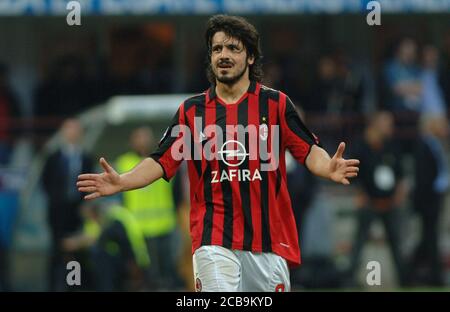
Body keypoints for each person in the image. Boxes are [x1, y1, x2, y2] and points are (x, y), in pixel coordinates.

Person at [77, 15, 360, 292]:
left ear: (250, 57)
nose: (223, 55)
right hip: (213, 238)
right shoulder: (191, 111)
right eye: (217, 49)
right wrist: (123, 181)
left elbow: (308, 150)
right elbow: (161, 160)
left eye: (233, 48)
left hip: (268, 242)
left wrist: (328, 167)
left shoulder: (276, 104)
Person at [344, 111, 408, 287]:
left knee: (396, 242)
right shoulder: (360, 146)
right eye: (387, 124)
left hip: (390, 203)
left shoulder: (392, 146)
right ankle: (349, 279)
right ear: (376, 124)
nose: (391, 128)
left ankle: (405, 280)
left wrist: (399, 194)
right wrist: (359, 194)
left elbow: (401, 174)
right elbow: (352, 173)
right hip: (368, 203)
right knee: (359, 241)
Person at [115, 127, 181, 290]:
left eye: (146, 138)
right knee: (147, 273)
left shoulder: (164, 161)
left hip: (165, 225)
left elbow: (177, 192)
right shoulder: (124, 162)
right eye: (139, 138)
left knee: (167, 270)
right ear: (132, 141)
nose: (143, 142)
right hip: (138, 229)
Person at [42, 118, 93, 291]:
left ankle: (74, 286)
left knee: (76, 253)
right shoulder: (53, 157)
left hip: (77, 212)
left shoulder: (86, 158)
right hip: (58, 213)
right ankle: (55, 286)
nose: (72, 133)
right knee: (56, 252)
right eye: (69, 129)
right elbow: (46, 182)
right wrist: (56, 201)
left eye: (75, 129)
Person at [408, 114, 449, 286]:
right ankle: (434, 278)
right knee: (429, 238)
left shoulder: (436, 144)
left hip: (436, 197)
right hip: (428, 200)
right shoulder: (424, 144)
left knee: (428, 239)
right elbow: (423, 177)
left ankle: (410, 273)